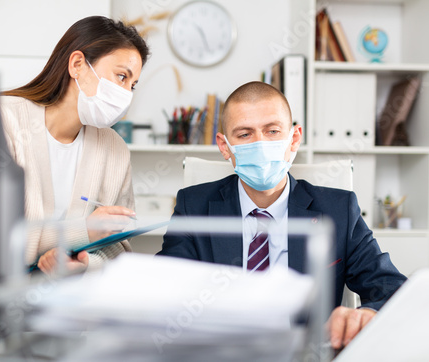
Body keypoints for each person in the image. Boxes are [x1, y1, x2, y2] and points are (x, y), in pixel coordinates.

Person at [157, 81, 407, 350]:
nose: (261, 144)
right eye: (244, 134)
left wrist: (365, 315)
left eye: (272, 131)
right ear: (224, 145)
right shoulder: (193, 206)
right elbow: (166, 290)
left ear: (294, 139)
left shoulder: (338, 209)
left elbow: (391, 289)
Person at [0, 16, 150, 332]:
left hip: (64, 299)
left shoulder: (114, 149)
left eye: (132, 85)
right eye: (120, 76)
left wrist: (83, 264)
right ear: (77, 64)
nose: (126, 93)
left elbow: (117, 246)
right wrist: (81, 231)